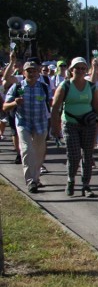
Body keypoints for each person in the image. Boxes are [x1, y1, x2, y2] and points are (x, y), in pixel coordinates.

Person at [50, 57, 98, 198]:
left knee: (88, 155)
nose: (80, 71)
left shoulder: (91, 86)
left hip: (88, 124)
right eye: (77, 68)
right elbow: (56, 107)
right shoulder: (65, 86)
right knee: (74, 155)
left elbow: (97, 106)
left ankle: (86, 185)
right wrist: (55, 127)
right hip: (70, 123)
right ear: (71, 70)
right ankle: (71, 180)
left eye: (83, 68)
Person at [3, 60, 51, 192]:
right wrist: (14, 103)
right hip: (24, 123)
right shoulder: (17, 87)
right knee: (26, 150)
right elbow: (5, 107)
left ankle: (36, 178)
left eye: (34, 70)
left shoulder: (44, 87)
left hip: (41, 124)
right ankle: (30, 181)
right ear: (23, 73)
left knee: (38, 153)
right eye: (29, 71)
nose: (32, 73)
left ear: (38, 72)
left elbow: (50, 105)